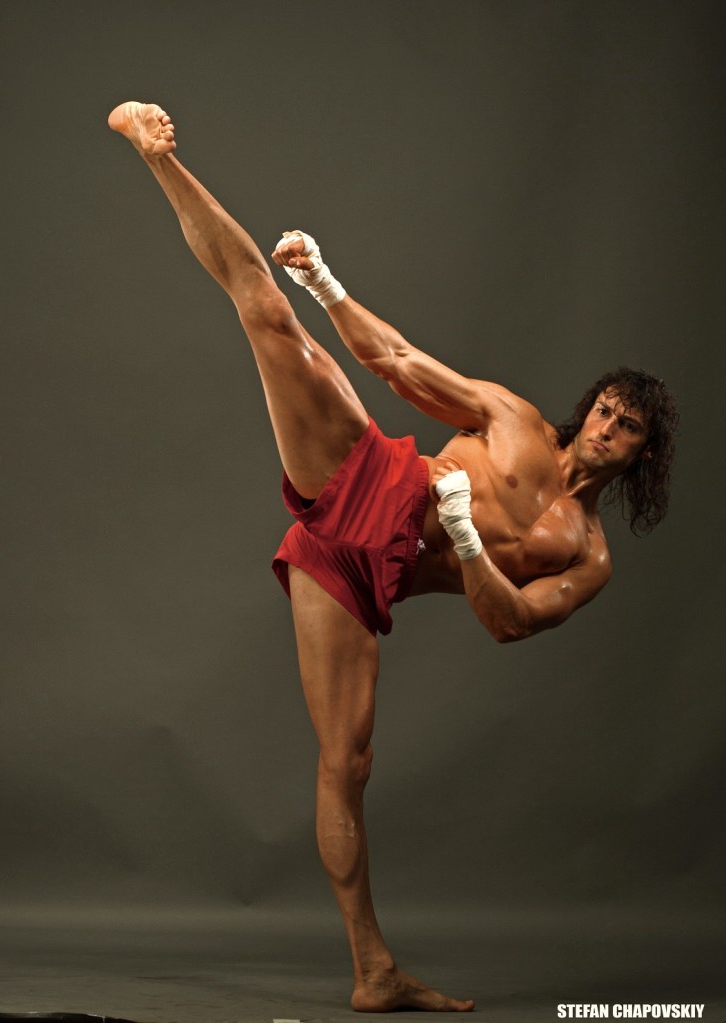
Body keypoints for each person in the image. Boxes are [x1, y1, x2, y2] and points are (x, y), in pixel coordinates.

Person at [107, 101, 678, 1013]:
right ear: (590, 406)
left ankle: (372, 970)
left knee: (348, 763)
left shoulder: (589, 553)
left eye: (629, 425)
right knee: (269, 314)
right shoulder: (513, 419)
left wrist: (461, 537)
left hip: (363, 573)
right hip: (365, 477)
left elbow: (509, 623)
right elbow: (399, 361)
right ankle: (153, 152)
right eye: (606, 408)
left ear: (642, 453)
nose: (608, 426)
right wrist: (327, 286)